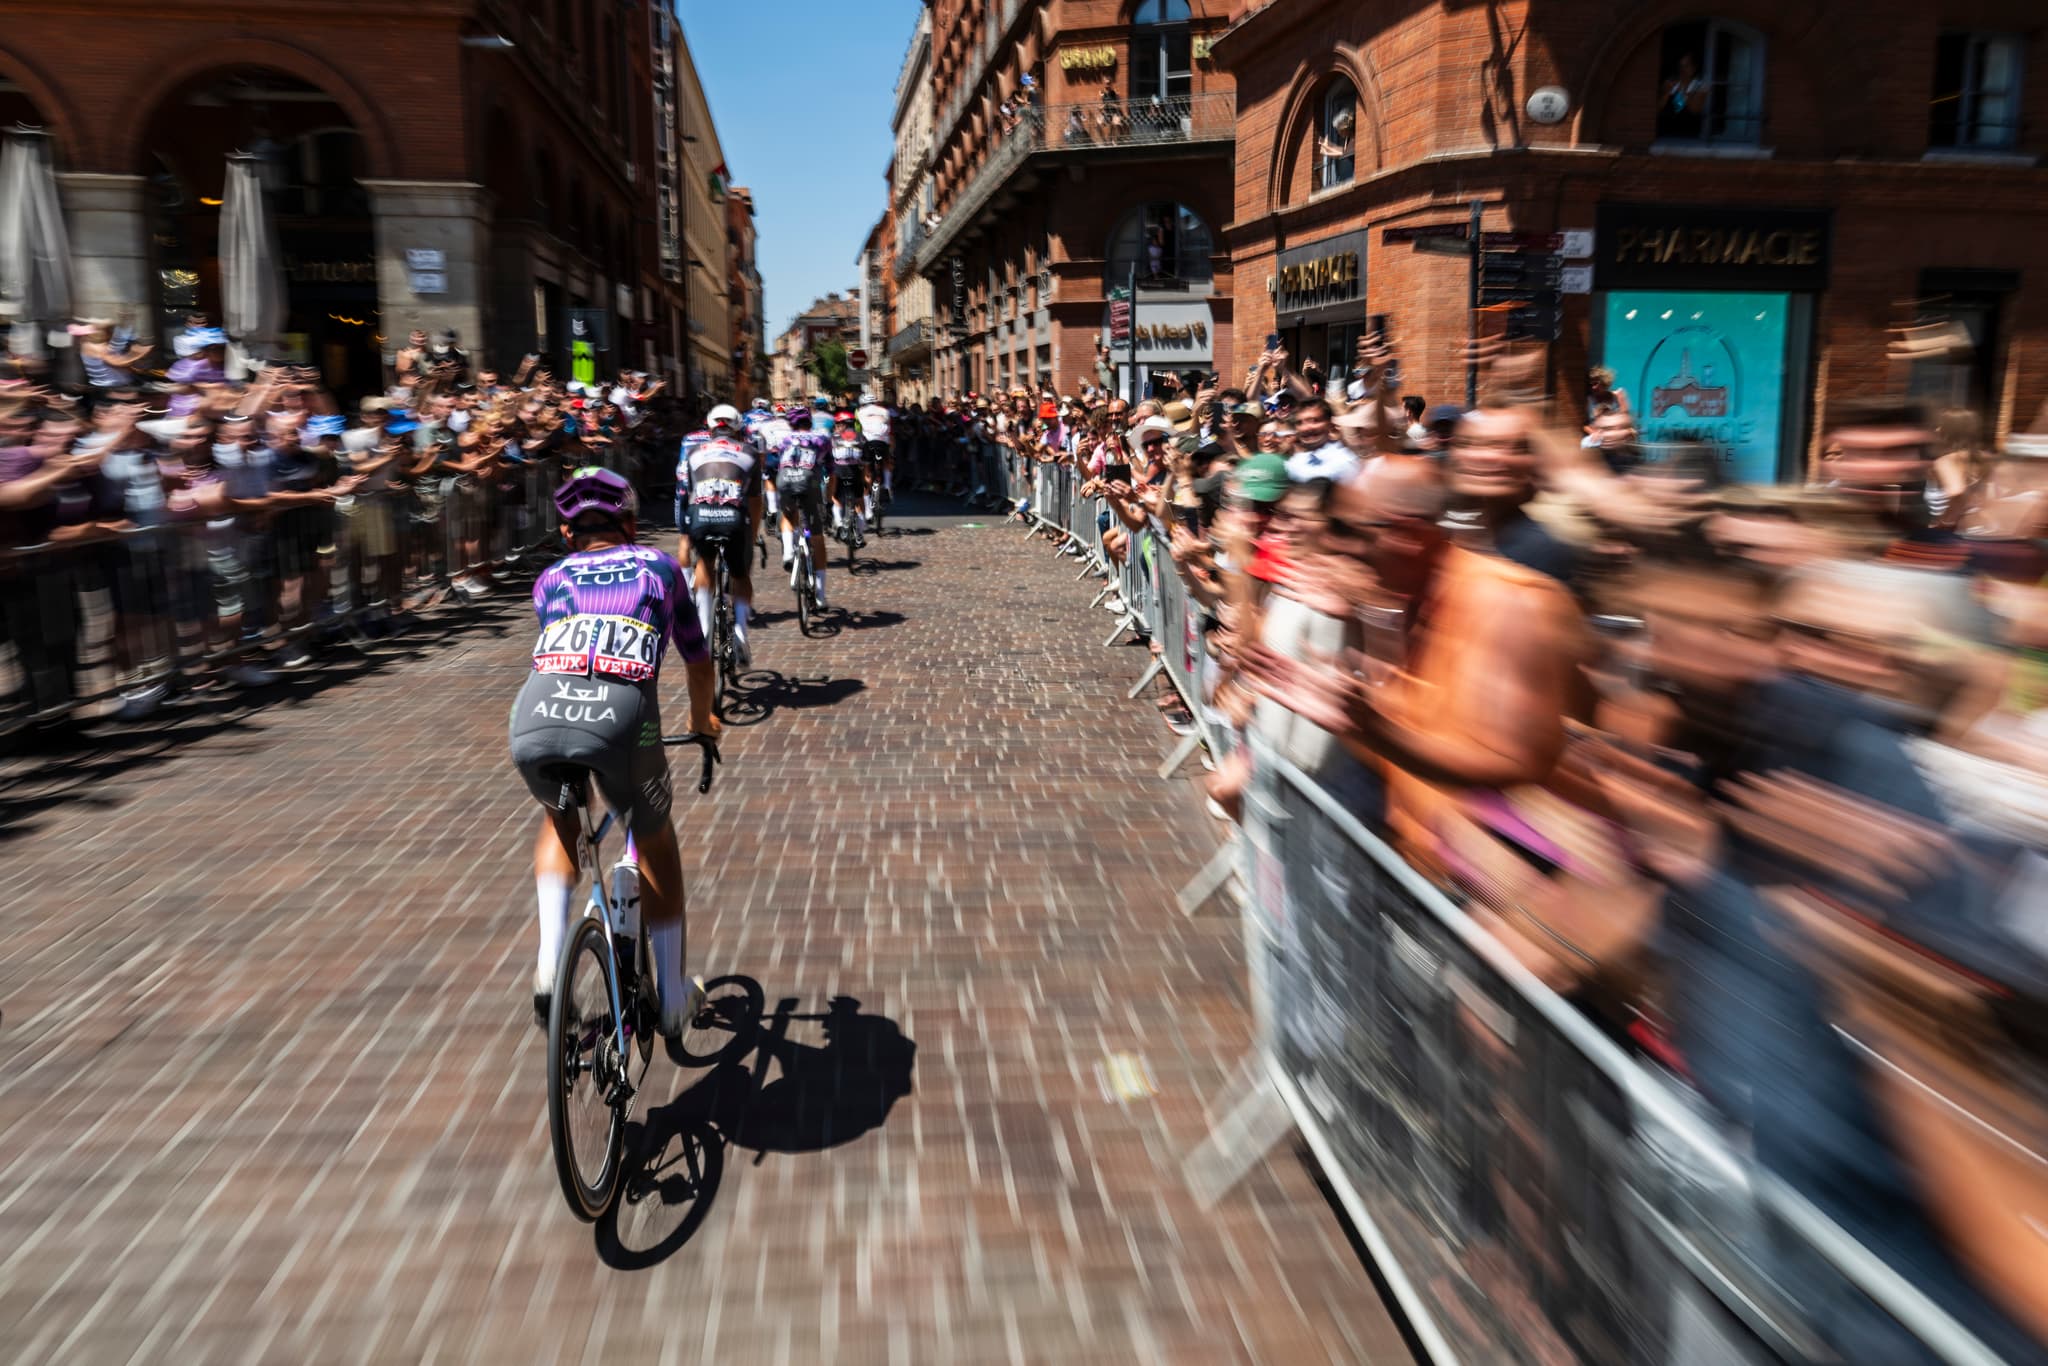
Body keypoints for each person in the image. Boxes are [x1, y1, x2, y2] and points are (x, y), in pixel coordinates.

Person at [509, 467, 718, 1038]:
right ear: (629, 522)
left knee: (561, 818)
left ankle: (551, 963)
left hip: (535, 716)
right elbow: (697, 660)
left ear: (566, 531)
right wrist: (703, 723)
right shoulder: (658, 567)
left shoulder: (550, 578)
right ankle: (673, 998)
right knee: (655, 836)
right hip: (620, 722)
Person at [679, 403, 762, 665]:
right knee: (740, 574)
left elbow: (687, 494)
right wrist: (753, 533)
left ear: (710, 427)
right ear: (737, 429)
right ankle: (740, 631)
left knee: (704, 563)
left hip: (701, 517)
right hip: (734, 519)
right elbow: (756, 499)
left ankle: (704, 629)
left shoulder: (693, 452)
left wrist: (685, 534)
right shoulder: (749, 451)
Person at [774, 408, 833, 607]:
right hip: (809, 482)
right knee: (816, 536)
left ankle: (788, 552)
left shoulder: (784, 438)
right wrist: (830, 500)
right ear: (810, 422)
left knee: (788, 516)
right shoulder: (822, 438)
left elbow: (777, 461)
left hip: (785, 480)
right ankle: (820, 593)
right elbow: (830, 468)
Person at [829, 410, 869, 545]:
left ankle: (839, 523)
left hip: (839, 473)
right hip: (856, 473)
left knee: (833, 498)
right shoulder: (861, 437)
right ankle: (861, 532)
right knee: (859, 501)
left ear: (844, 424)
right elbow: (866, 459)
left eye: (838, 424)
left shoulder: (834, 438)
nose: (836, 426)